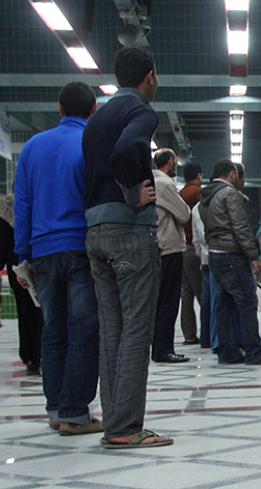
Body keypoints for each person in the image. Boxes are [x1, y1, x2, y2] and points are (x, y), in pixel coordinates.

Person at [82, 46, 172, 448]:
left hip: (95, 231)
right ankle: (126, 428)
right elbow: (124, 151)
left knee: (112, 329)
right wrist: (132, 191)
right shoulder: (142, 111)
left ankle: (114, 422)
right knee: (137, 328)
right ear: (149, 77)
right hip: (129, 232)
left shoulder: (96, 119)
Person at [13, 81, 101, 435]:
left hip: (43, 251)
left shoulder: (33, 147)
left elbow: (23, 204)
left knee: (53, 330)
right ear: (93, 111)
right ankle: (75, 413)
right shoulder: (91, 143)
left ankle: (55, 409)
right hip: (81, 248)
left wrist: (24, 254)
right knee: (84, 330)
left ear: (59, 109)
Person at [200, 160, 261, 365]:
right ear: (233, 173)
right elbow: (240, 227)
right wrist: (253, 256)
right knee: (247, 303)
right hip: (232, 255)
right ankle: (255, 352)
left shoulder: (205, 197)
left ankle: (228, 352)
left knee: (223, 305)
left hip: (215, 254)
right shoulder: (229, 194)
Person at [151, 148, 191, 363]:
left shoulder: (151, 181)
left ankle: (160, 348)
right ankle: (163, 350)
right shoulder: (164, 184)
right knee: (169, 301)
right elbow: (184, 214)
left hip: (159, 248)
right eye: (175, 161)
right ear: (170, 162)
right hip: (169, 248)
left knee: (160, 301)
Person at [0, 195, 43, 377]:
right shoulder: (38, 203)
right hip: (37, 259)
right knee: (41, 311)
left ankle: (30, 356)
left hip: (17, 265)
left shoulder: (9, 209)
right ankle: (39, 354)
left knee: (26, 313)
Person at [179, 162, 203, 346]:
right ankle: (210, 333)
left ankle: (189, 335)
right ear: (198, 175)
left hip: (181, 248)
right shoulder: (197, 193)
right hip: (193, 248)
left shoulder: (180, 194)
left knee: (186, 294)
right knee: (203, 292)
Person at [191, 200, 213, 349]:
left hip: (205, 260)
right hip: (220, 256)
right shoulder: (220, 201)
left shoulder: (196, 208)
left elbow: (196, 240)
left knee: (206, 300)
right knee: (221, 300)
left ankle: (206, 338)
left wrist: (202, 256)